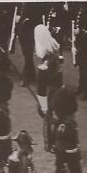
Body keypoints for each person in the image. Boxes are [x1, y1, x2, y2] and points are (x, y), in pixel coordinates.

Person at [46, 87, 87, 173]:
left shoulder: (68, 124)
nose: (73, 115)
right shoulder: (62, 127)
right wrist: (63, 164)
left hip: (73, 158)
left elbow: (75, 143)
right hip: (65, 159)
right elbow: (60, 147)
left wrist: (78, 155)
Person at [34, 24, 63, 152]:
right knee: (51, 118)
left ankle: (52, 142)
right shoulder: (52, 52)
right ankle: (50, 143)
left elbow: (41, 85)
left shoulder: (48, 57)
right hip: (55, 89)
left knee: (52, 118)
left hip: (54, 90)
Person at [72, 3, 87, 100]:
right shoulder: (80, 9)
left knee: (86, 67)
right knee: (81, 66)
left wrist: (81, 31)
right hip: (79, 42)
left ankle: (85, 90)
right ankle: (81, 87)